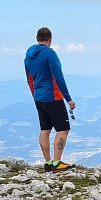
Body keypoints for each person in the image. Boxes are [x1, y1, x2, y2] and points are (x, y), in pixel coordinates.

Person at [25, 27, 76, 172]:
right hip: (53, 97)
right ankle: (57, 162)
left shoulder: (28, 56)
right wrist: (68, 99)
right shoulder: (50, 54)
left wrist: (36, 94)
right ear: (50, 39)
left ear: (37, 38)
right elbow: (58, 77)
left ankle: (48, 162)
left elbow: (29, 79)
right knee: (63, 128)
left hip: (39, 97)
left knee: (45, 129)